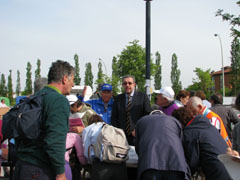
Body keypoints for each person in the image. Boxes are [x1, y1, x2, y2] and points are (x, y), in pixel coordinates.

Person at [13, 60, 74, 180]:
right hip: (40, 170)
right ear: (65, 79)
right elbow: (55, 140)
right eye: (73, 80)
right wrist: (60, 173)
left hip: (22, 166)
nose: (73, 84)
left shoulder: (34, 98)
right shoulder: (58, 100)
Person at [172, 107, 231, 180]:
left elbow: (192, 162)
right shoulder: (206, 125)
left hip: (216, 172)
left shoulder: (190, 133)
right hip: (229, 169)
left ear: (179, 123)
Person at [135, 110, 191, 180]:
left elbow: (138, 146)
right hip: (176, 164)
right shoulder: (174, 121)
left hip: (150, 164)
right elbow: (180, 142)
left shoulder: (141, 121)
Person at [82, 115, 128, 180]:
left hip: (101, 165)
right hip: (120, 164)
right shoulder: (111, 128)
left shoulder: (88, 129)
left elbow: (87, 150)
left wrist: (89, 162)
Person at [111, 75, 152, 146]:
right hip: (121, 137)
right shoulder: (118, 99)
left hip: (137, 136)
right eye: (125, 83)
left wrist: (139, 129)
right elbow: (114, 117)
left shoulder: (142, 97)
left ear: (134, 84)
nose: (127, 85)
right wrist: (118, 131)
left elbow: (148, 116)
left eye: (129, 83)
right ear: (122, 85)